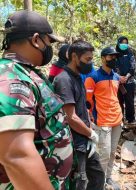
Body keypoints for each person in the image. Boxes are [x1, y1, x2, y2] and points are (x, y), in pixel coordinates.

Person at [0, 10, 74, 190]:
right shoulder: (11, 79)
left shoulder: (26, 73)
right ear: (35, 40)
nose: (51, 48)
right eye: (49, 41)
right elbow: (16, 156)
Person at [53, 40, 105, 190]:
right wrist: (91, 134)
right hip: (74, 142)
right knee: (79, 181)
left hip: (84, 138)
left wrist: (89, 126)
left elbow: (81, 108)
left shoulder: (77, 77)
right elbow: (70, 117)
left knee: (97, 176)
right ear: (75, 56)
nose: (90, 63)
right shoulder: (64, 80)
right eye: (87, 59)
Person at [85, 46, 123, 190]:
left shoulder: (116, 76)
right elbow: (88, 102)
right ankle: (98, 182)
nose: (113, 59)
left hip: (117, 120)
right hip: (102, 121)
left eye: (115, 57)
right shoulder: (93, 77)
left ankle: (108, 177)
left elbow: (115, 97)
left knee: (113, 152)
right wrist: (92, 119)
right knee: (104, 153)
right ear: (102, 58)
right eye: (110, 57)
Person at [115, 36, 136, 126]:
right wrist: (119, 77)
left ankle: (131, 120)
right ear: (118, 43)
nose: (124, 44)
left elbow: (133, 66)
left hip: (129, 81)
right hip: (117, 82)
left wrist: (126, 77)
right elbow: (113, 67)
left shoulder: (130, 53)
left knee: (130, 101)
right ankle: (120, 120)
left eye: (126, 43)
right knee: (118, 101)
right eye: (122, 42)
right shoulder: (114, 54)